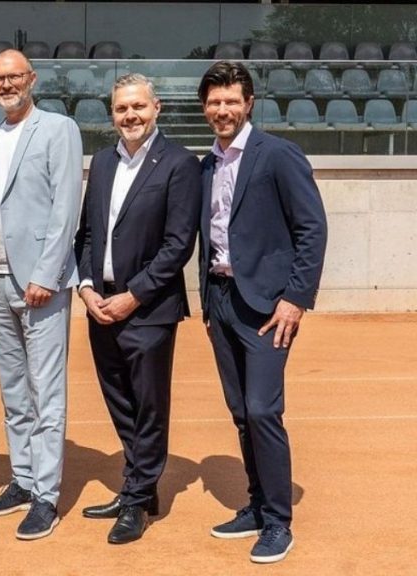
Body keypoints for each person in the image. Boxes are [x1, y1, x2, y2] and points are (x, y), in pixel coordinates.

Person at [197, 60, 327, 564]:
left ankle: (278, 522)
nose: (222, 109)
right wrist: (208, 303)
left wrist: (296, 298)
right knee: (240, 413)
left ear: (249, 103)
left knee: (262, 410)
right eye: (214, 102)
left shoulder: (278, 155)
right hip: (222, 300)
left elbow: (311, 229)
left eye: (231, 100)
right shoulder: (206, 164)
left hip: (269, 308)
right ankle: (255, 505)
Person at [74, 74, 201, 544]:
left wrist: (135, 294)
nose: (130, 116)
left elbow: (177, 245)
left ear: (157, 108)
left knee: (148, 406)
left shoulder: (180, 164)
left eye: (138, 107)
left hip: (147, 309)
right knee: (120, 402)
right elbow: (87, 233)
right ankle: (139, 486)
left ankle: (138, 497)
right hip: (100, 303)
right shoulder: (103, 162)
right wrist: (86, 287)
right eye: (121, 109)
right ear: (112, 114)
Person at [0, 49, 83, 540]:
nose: (6, 85)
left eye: (14, 76)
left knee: (46, 389)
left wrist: (47, 272)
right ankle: (21, 477)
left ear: (31, 78)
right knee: (14, 390)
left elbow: (66, 208)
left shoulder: (58, 129)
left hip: (39, 282)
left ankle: (46, 494)